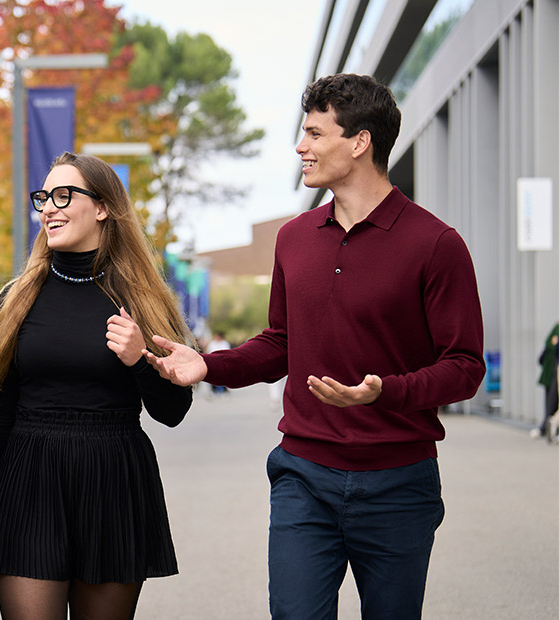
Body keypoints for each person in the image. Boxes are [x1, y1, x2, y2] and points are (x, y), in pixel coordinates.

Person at [144, 74, 485, 619]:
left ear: (359, 142)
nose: (300, 148)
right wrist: (207, 365)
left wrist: (384, 393)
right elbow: (281, 342)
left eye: (313, 134)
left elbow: (464, 368)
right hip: (303, 475)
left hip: (399, 482)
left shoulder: (437, 245)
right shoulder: (294, 238)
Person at [0, 152, 195, 620]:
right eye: (44, 197)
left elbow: (172, 410)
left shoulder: (142, 299)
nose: (49, 207)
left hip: (113, 478)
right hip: (30, 477)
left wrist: (138, 362)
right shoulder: (17, 296)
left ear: (103, 207)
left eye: (64, 196)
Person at [533, 322, 559, 440]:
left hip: (553, 371)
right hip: (551, 371)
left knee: (551, 401)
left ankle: (547, 429)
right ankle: (547, 428)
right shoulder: (556, 328)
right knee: (551, 401)